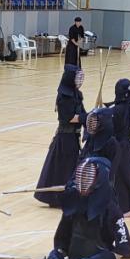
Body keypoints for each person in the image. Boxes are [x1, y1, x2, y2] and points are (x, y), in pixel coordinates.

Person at [42, 157, 130, 259]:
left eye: (87, 177)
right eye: (80, 177)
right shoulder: (73, 203)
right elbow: (62, 240)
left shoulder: (111, 209)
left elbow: (123, 248)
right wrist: (56, 257)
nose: (82, 182)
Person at [35, 65, 86, 207]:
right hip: (65, 138)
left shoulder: (77, 94)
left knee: (71, 167)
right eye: (77, 77)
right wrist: (86, 118)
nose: (80, 80)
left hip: (74, 137)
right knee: (62, 169)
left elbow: (82, 112)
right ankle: (57, 198)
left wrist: (92, 115)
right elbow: (70, 118)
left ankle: (70, 197)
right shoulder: (64, 97)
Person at [106, 79, 130, 216]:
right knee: (128, 176)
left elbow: (109, 127)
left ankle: (123, 208)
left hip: (117, 147)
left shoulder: (115, 111)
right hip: (127, 146)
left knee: (118, 177)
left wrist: (100, 113)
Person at [80, 108, 119, 182]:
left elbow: (111, 170)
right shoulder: (91, 138)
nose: (91, 125)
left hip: (101, 182)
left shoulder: (112, 143)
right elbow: (82, 158)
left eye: (95, 122)